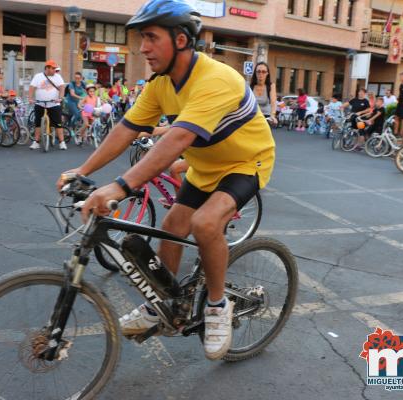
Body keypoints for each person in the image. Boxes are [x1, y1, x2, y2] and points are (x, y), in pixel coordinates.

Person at [57, 0, 275, 361]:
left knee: (205, 224)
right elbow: (127, 128)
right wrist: (83, 171)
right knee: (173, 227)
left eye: (151, 37)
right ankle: (165, 305)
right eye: (142, 38)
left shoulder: (217, 78)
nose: (143, 47)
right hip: (205, 166)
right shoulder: (161, 84)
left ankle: (218, 307)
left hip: (245, 161)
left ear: (180, 40)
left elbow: (175, 140)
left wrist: (118, 187)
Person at [28, 59, 67, 150]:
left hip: (54, 104)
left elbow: (62, 88)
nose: (54, 70)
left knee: (58, 124)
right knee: (38, 123)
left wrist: (60, 98)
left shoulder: (58, 77)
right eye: (53, 68)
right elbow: (32, 87)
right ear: (47, 68)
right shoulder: (38, 76)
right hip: (40, 103)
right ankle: (36, 142)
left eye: (55, 68)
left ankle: (62, 142)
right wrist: (30, 98)